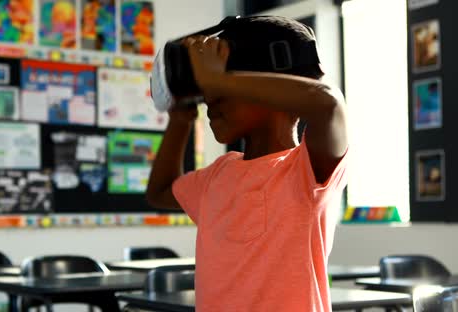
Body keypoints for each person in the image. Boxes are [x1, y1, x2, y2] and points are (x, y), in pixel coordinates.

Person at [146, 16, 349, 311]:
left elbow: (329, 105)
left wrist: (219, 80)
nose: (211, 98)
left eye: (228, 82)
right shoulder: (218, 175)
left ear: (273, 88)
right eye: (208, 89)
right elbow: (160, 191)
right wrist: (179, 121)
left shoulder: (306, 172)